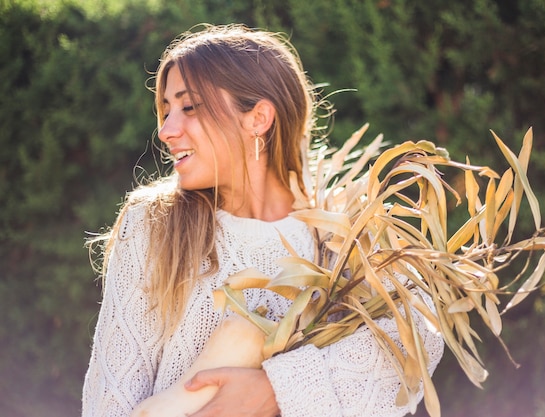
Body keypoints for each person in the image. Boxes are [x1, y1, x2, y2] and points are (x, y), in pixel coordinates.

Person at [82, 23, 444, 417]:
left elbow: (418, 340)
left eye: (188, 107)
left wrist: (276, 388)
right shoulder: (154, 224)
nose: (166, 130)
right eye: (165, 110)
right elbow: (111, 400)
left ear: (258, 119)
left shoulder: (340, 236)